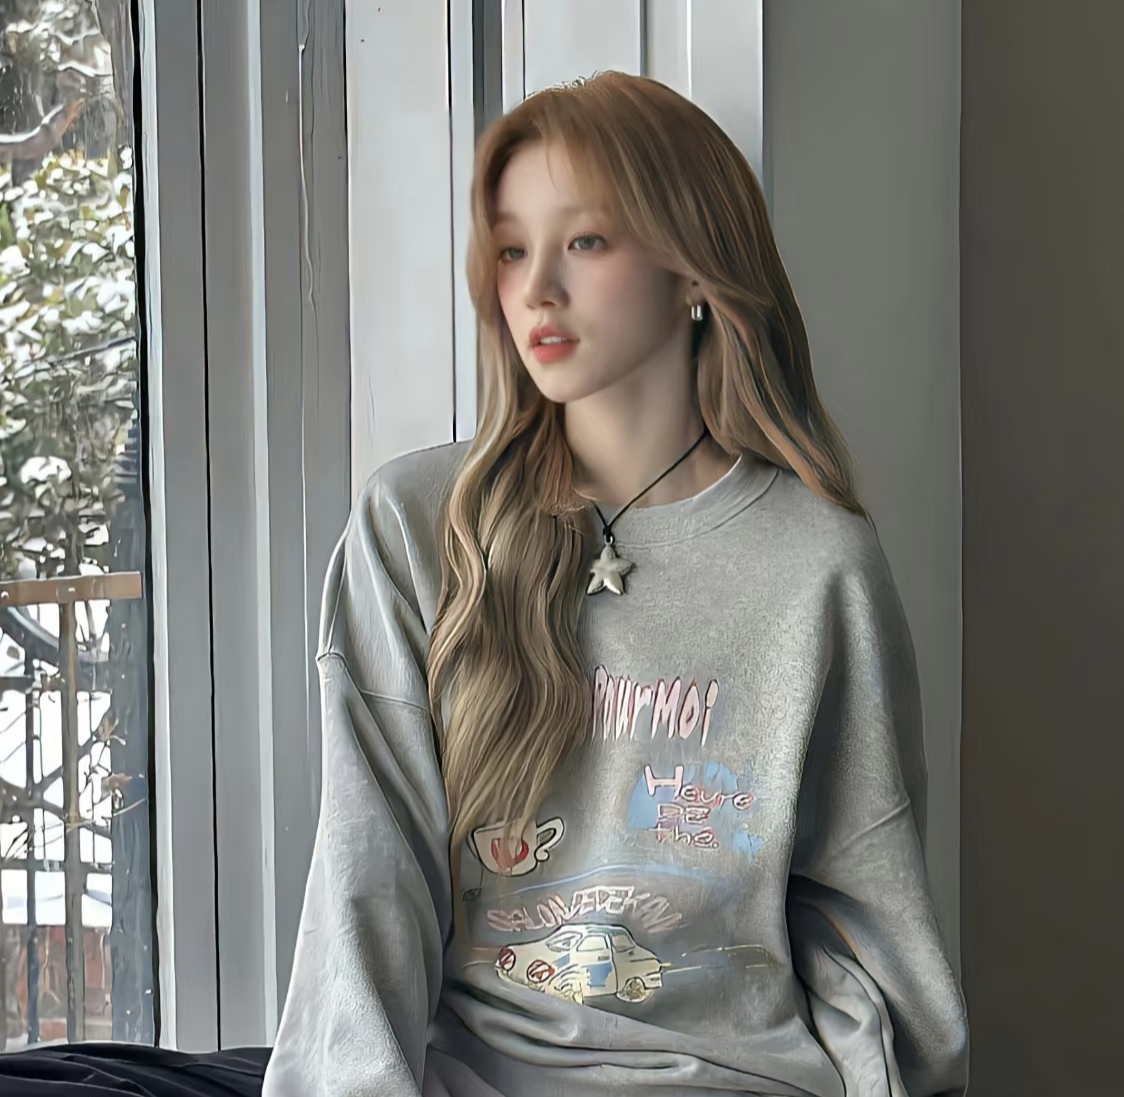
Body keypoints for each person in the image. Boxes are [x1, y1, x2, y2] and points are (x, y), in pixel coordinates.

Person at [262, 71, 969, 1097]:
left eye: (584, 241)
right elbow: (370, 882)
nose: (535, 289)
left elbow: (864, 921)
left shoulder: (817, 563)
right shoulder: (417, 525)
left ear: (694, 270)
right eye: (512, 249)